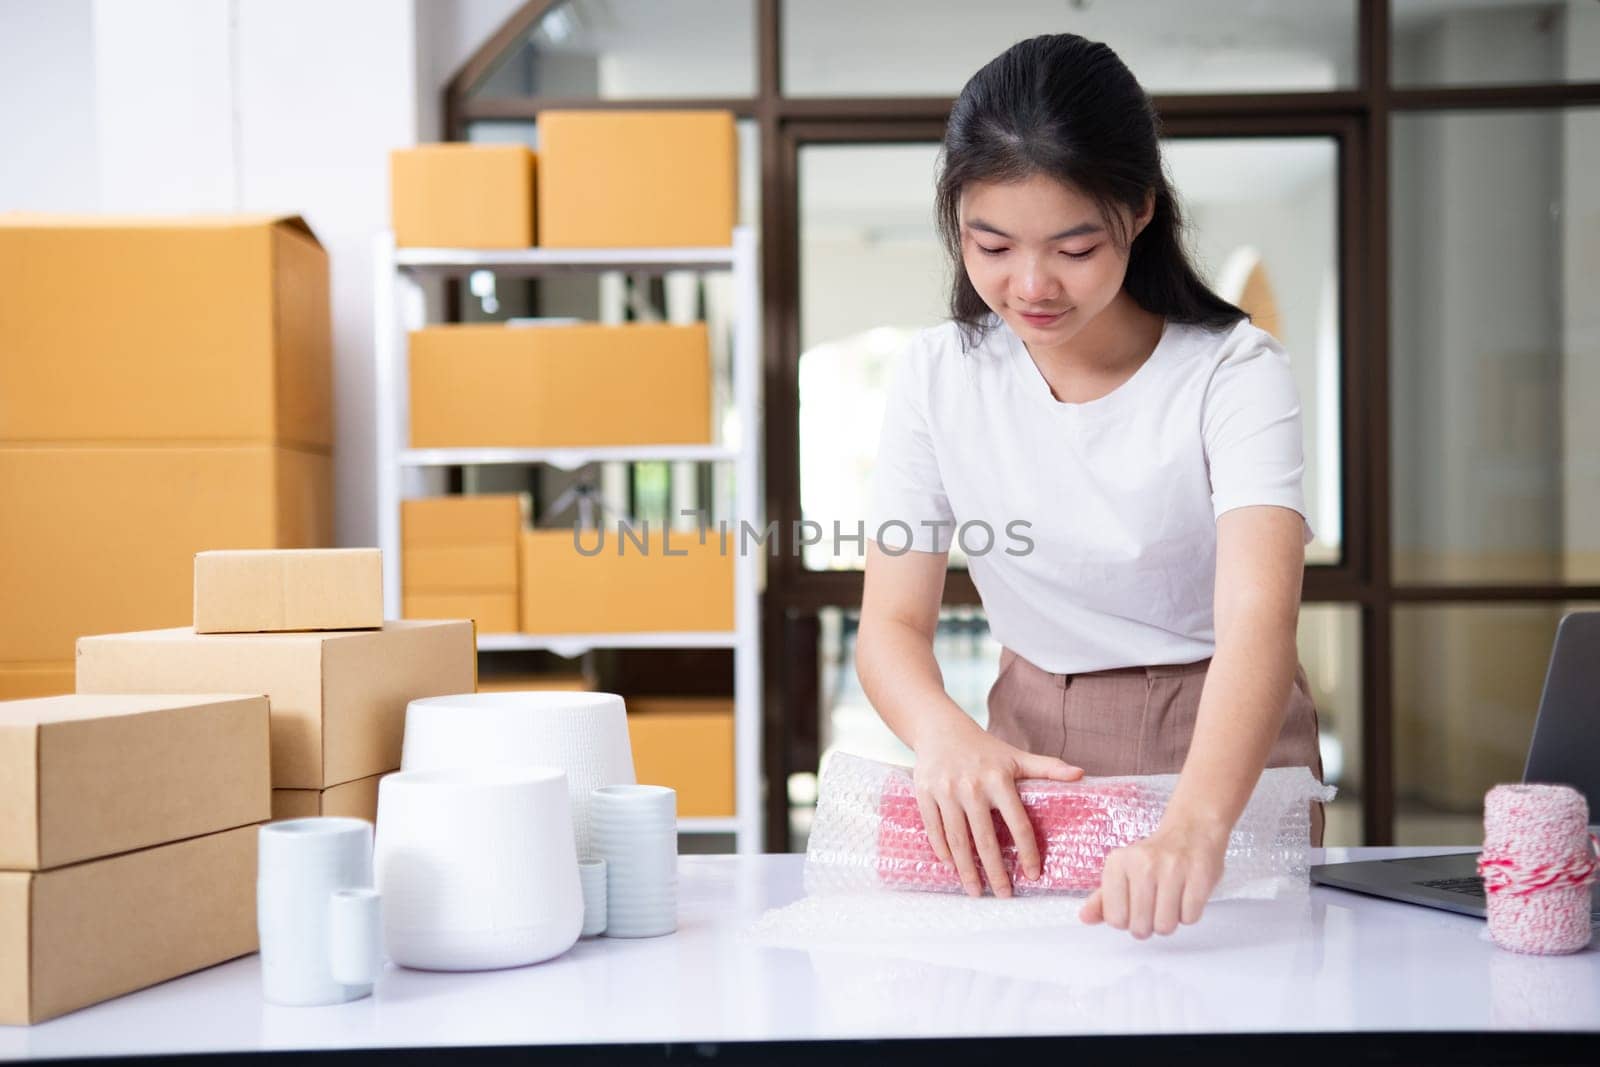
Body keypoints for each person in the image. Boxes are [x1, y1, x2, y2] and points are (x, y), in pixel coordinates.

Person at [855, 33, 1325, 941]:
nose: (1030, 285)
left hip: (1221, 736)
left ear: (1140, 210)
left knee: (1239, 996)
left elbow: (1259, 621)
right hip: (1026, 737)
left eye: (1073, 247)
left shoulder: (1233, 370)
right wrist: (944, 734)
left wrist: (1195, 825)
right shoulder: (937, 373)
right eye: (991, 244)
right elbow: (891, 623)